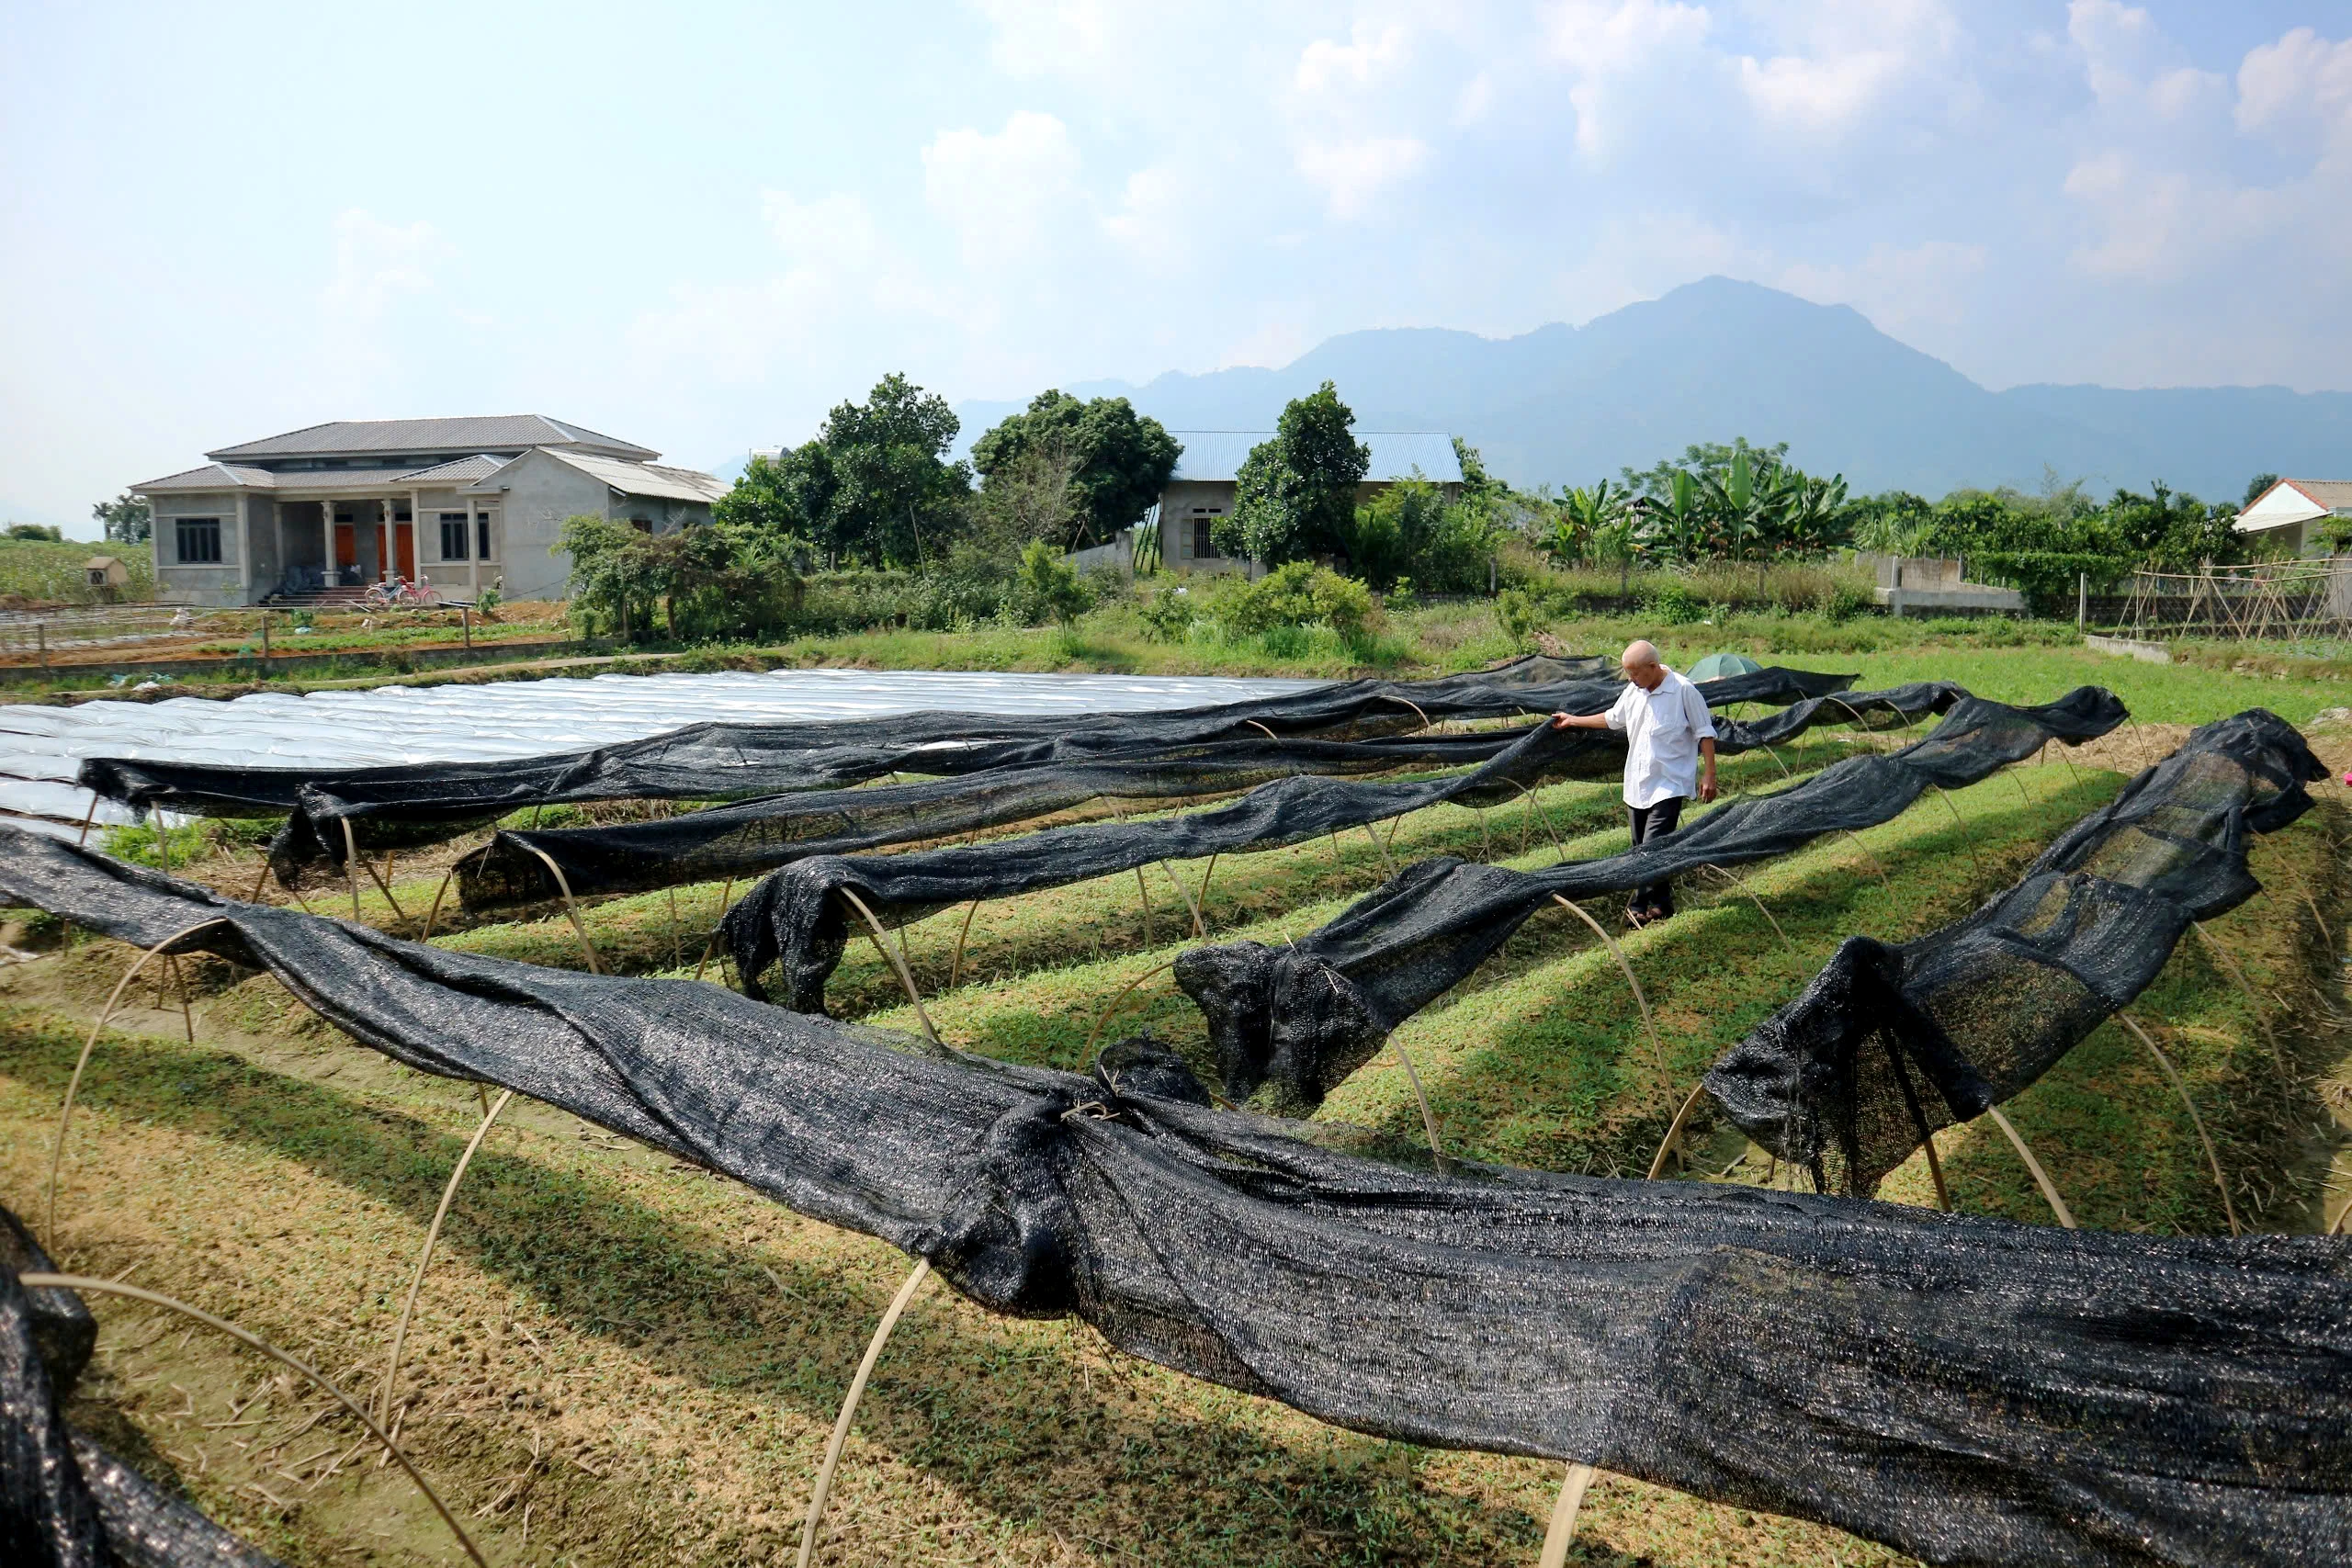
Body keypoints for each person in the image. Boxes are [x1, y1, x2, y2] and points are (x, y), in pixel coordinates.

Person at [1550, 640, 1716, 928]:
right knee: (1640, 846)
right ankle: (1661, 904)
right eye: (1628, 673)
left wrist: (1709, 775)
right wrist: (1573, 720)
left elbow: (1705, 734)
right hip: (1638, 782)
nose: (1631, 679)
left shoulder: (1683, 691)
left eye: (1635, 673)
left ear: (1653, 667)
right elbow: (1613, 719)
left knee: (1652, 846)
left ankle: (1641, 905)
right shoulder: (1634, 691)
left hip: (1670, 782)